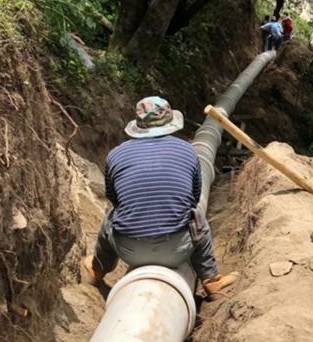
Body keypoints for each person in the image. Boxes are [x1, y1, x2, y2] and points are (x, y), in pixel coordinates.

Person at [82, 96, 237, 296]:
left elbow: (114, 198)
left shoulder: (116, 155)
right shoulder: (187, 151)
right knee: (196, 215)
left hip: (129, 251)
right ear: (169, 122)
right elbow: (194, 196)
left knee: (111, 217)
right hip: (178, 250)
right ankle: (210, 278)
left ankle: (98, 269)